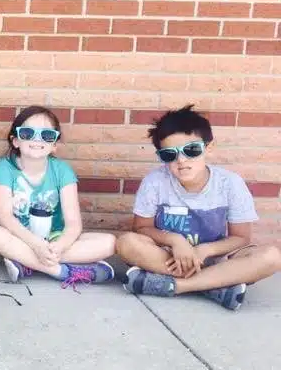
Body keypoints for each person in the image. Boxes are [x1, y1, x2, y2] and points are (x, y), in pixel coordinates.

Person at [117, 105, 281, 310]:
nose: (182, 160)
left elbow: (241, 238)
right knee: (126, 243)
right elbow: (141, 228)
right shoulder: (155, 182)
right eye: (170, 155)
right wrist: (175, 241)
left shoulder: (230, 183)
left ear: (208, 148)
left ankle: (176, 286)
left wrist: (206, 250)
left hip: (217, 259)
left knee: (272, 256)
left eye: (192, 150)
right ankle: (215, 286)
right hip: (169, 258)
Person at [0, 106, 116, 288]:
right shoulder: (5, 168)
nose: (37, 139)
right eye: (28, 133)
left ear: (54, 145)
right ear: (15, 141)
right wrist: (36, 245)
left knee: (110, 243)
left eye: (47, 135)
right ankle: (60, 271)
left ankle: (25, 263)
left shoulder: (62, 171)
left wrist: (59, 246)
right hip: (19, 237)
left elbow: (74, 223)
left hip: (55, 238)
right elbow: (5, 218)